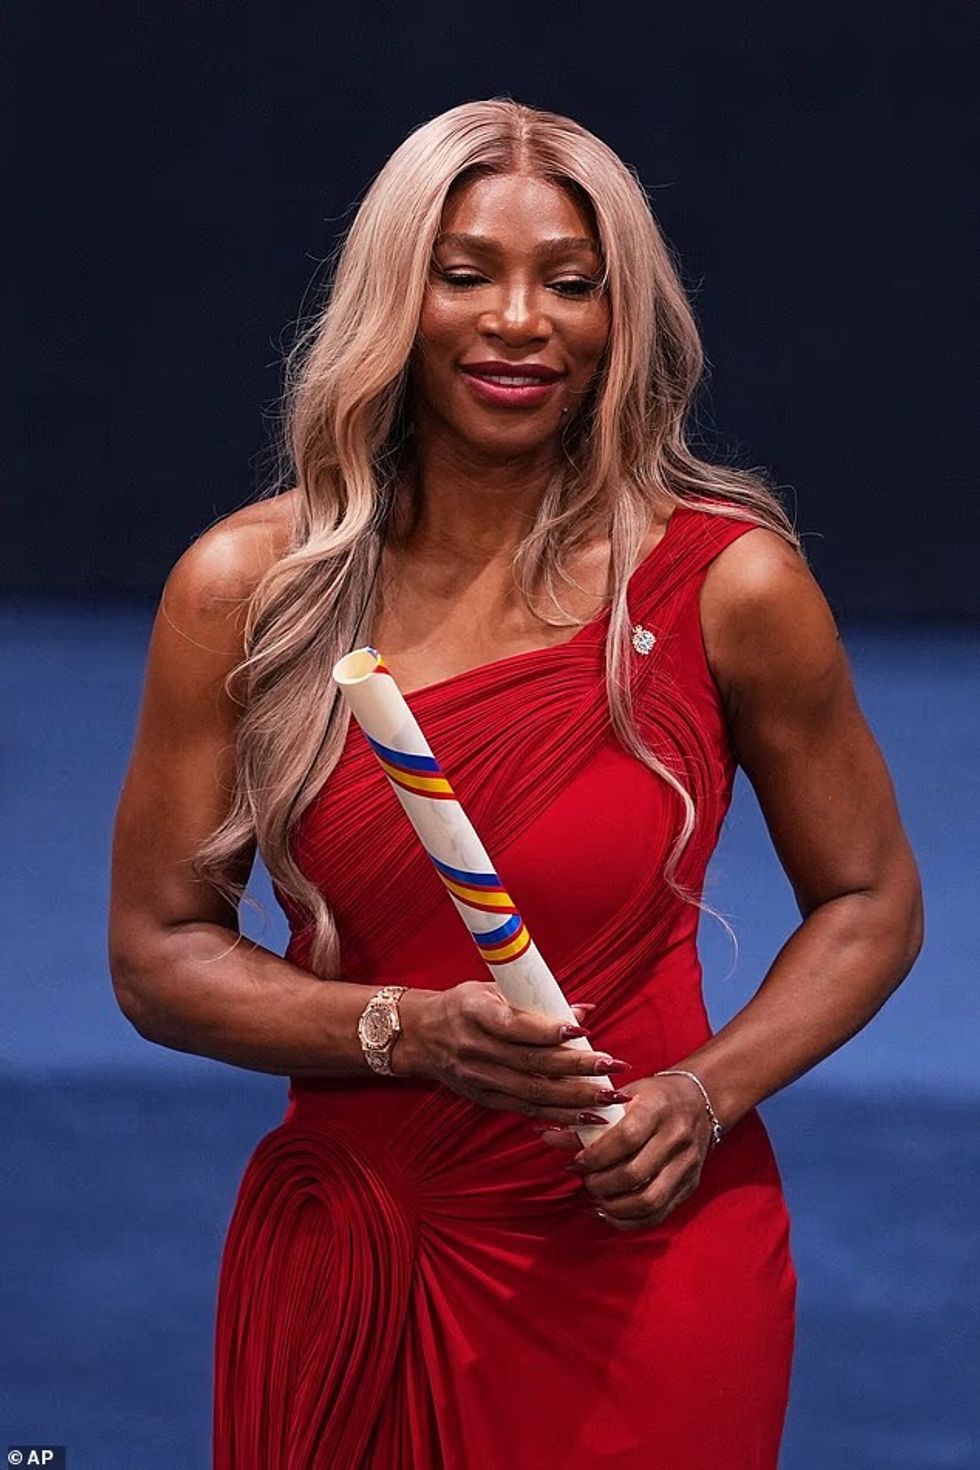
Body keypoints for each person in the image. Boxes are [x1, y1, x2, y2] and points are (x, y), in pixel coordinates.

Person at [108, 98, 924, 1469]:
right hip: (362, 1250)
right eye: (466, 273)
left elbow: (873, 901)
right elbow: (157, 952)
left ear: (622, 316)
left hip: (647, 1246)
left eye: (570, 282)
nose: (519, 322)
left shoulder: (731, 583)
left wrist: (704, 1095)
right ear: (396, 298)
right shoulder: (249, 588)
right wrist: (403, 1030)